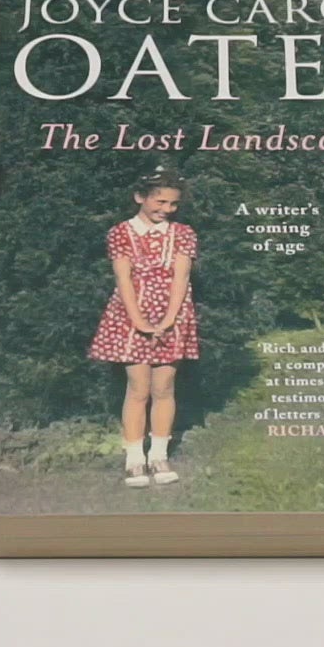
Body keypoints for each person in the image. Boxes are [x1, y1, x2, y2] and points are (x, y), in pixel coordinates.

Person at [87, 167, 200, 487]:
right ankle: (134, 458)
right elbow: (123, 278)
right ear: (140, 197)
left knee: (164, 388)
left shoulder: (183, 233)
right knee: (138, 389)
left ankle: (159, 455)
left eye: (173, 204)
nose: (167, 209)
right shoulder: (121, 232)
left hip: (172, 315)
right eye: (160, 202)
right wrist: (139, 322)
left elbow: (181, 278)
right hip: (131, 315)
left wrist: (168, 320)